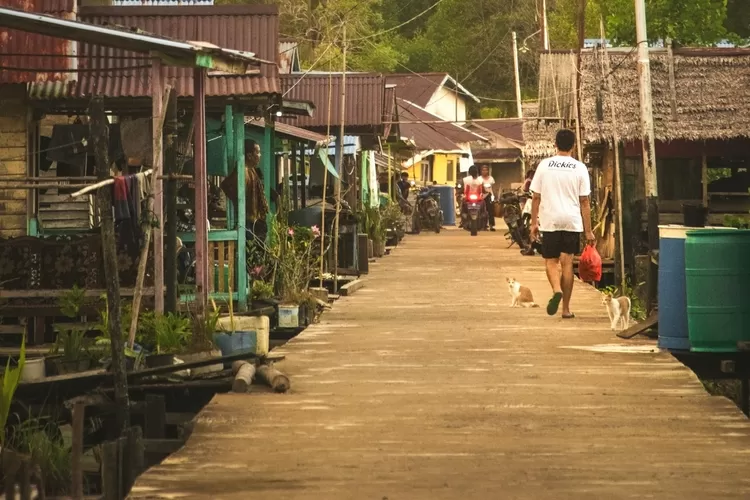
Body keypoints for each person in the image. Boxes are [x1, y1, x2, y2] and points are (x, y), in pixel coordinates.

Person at [529, 129, 595, 319]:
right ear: (574, 146)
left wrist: (534, 223)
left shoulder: (544, 165)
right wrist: (588, 231)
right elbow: (584, 201)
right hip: (572, 221)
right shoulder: (579, 168)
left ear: (555, 144)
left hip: (550, 220)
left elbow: (535, 197)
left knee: (551, 261)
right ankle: (566, 309)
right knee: (567, 264)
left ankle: (556, 290)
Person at [479, 165, 496, 231]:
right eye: (483, 170)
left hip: (490, 195)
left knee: (491, 210)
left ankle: (491, 225)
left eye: (486, 170)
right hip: (481, 196)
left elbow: (492, 188)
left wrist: (493, 196)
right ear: (481, 171)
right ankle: (483, 225)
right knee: (482, 211)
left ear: (488, 171)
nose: (484, 171)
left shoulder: (491, 178)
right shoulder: (479, 179)